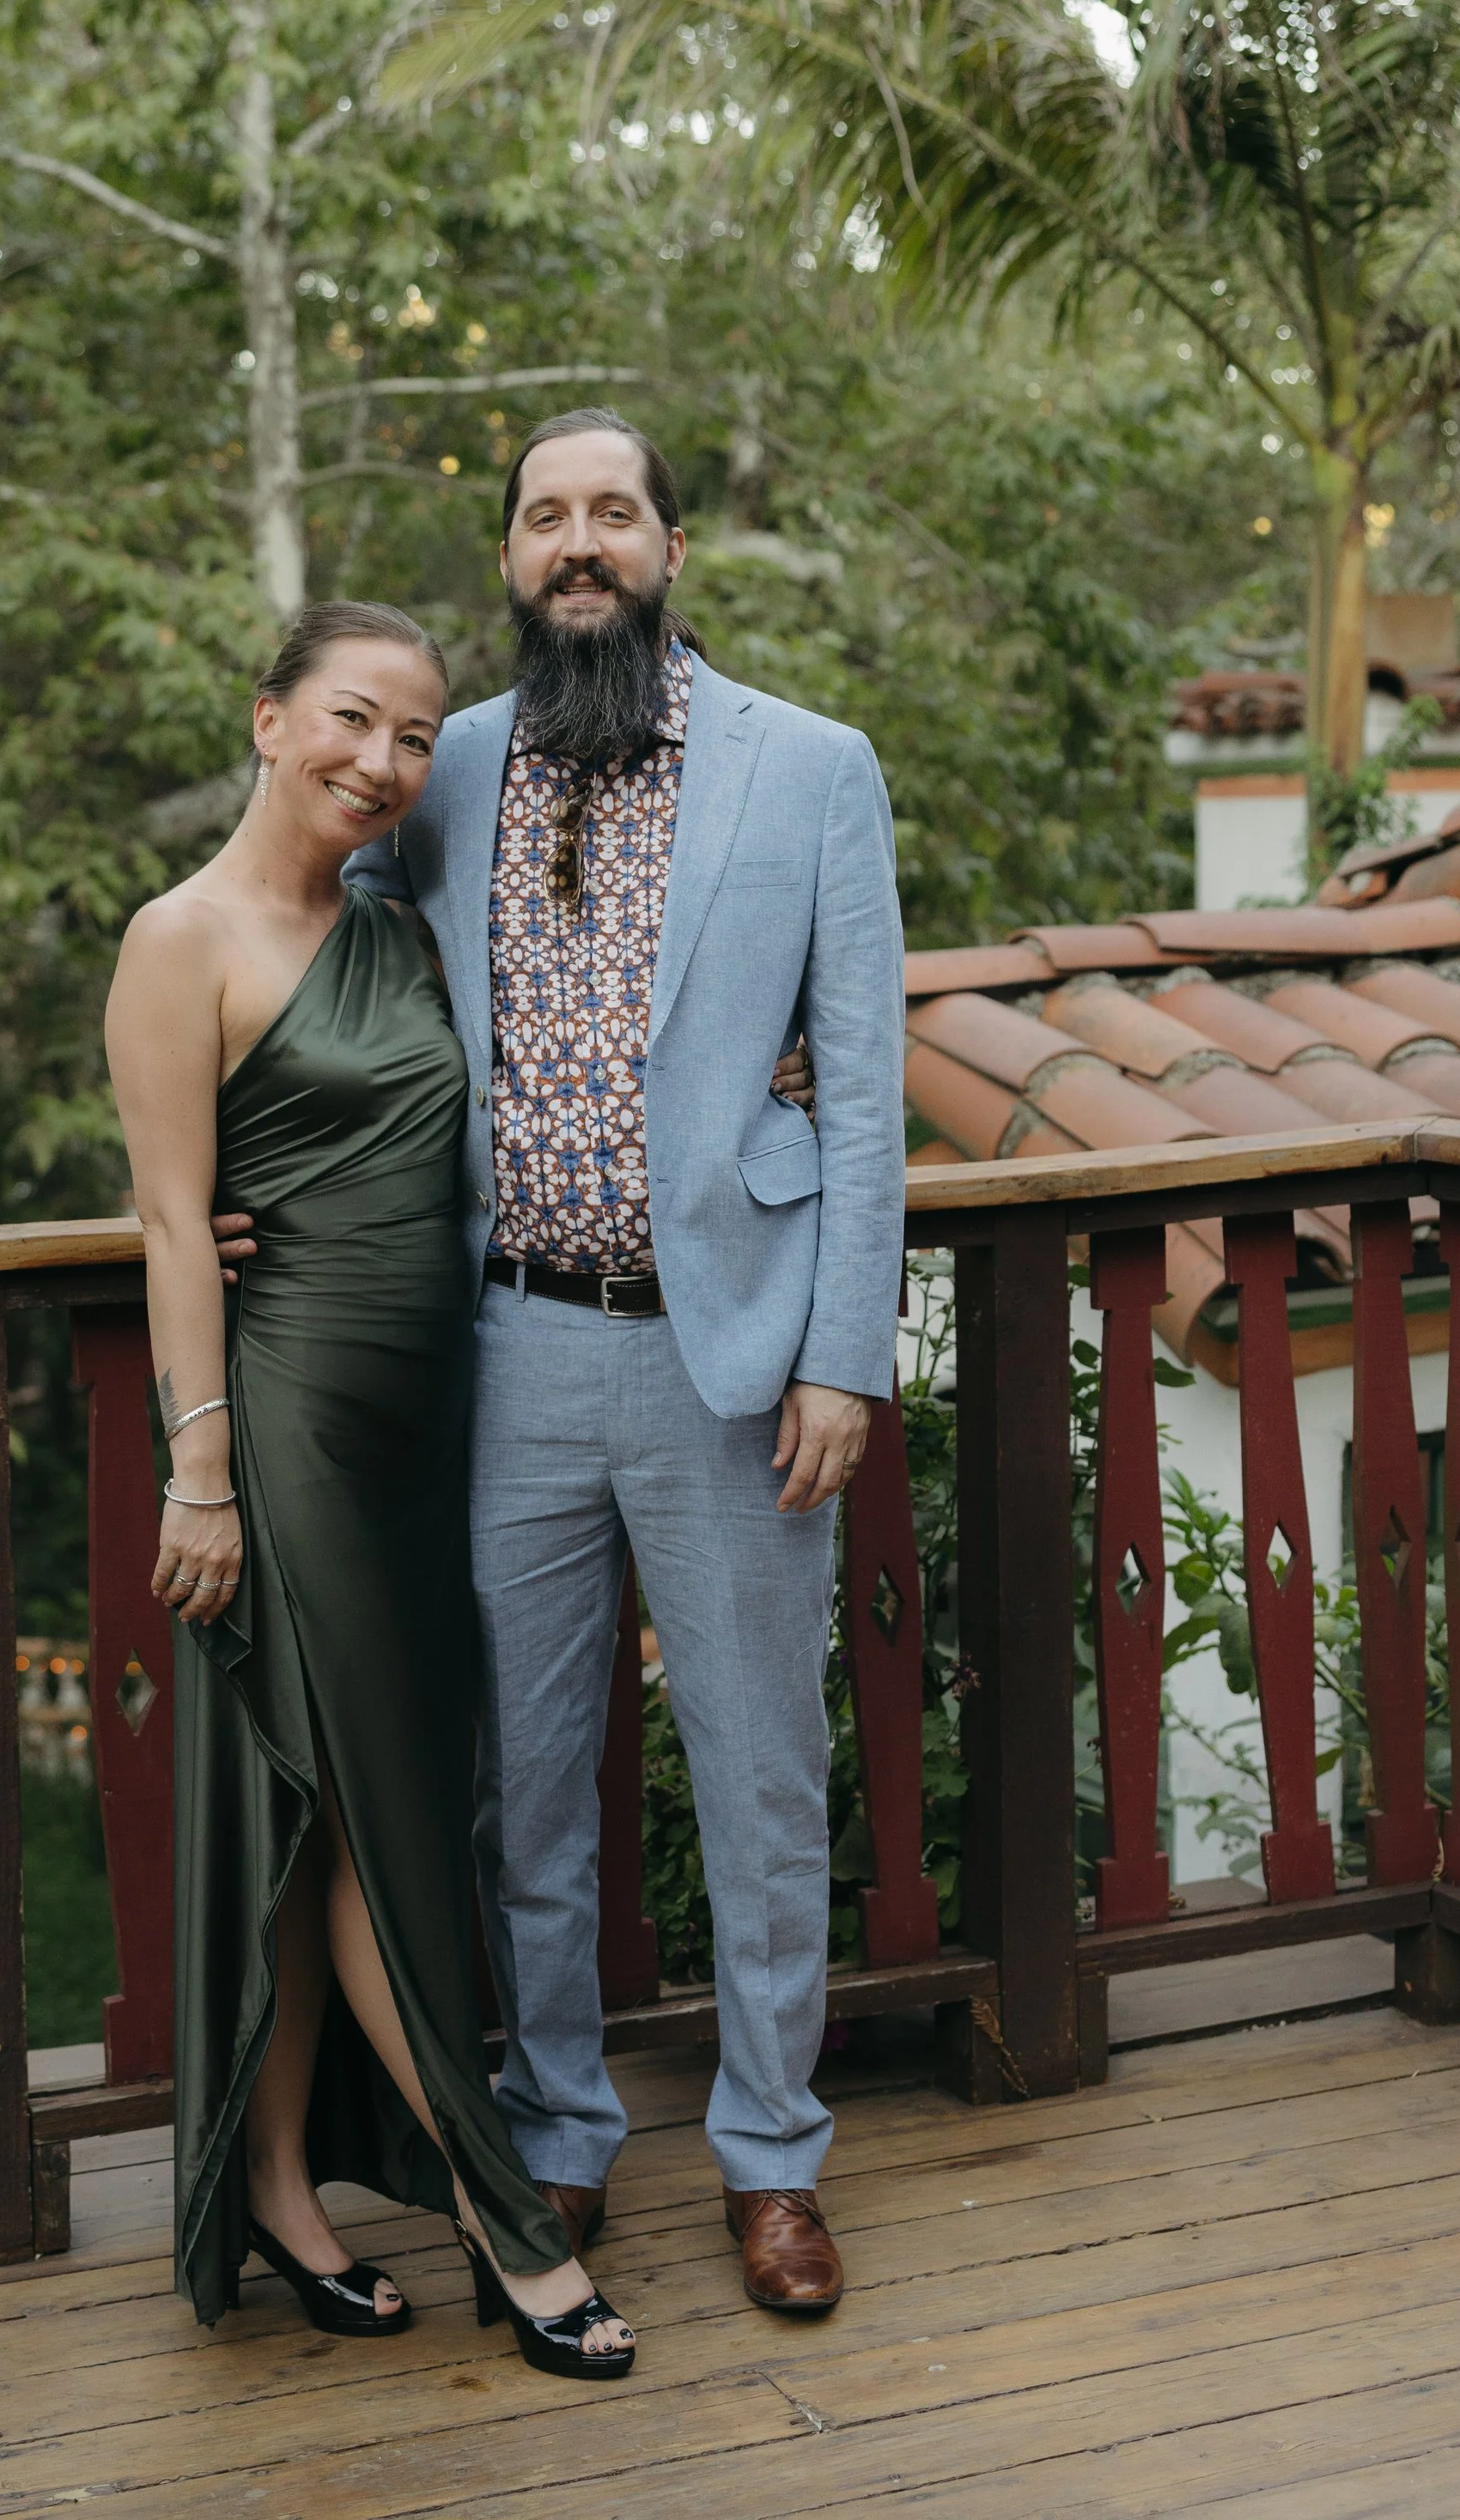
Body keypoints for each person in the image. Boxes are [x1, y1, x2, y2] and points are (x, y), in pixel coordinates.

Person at [337, 410, 905, 2317]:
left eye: (610, 513)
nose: (575, 543)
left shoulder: (810, 768)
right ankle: (559, 2125)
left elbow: (868, 1089)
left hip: (732, 1354)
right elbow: (326, 966)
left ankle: (773, 2152)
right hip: (508, 1343)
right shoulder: (443, 767)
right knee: (523, 1786)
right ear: (510, 557)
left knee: (760, 1778)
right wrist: (249, 1178)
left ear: (671, 547)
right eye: (542, 518)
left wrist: (842, 1355)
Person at [105, 598, 636, 2381]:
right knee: (383, 1825)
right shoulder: (178, 938)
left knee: (319, 1814)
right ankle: (507, 2217)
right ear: (267, 718)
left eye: (413, 737)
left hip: (431, 1434)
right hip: (287, 1437)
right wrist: (199, 1470)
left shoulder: (403, 932)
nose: (381, 760)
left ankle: (275, 2179)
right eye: (349, 717)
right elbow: (172, 1218)